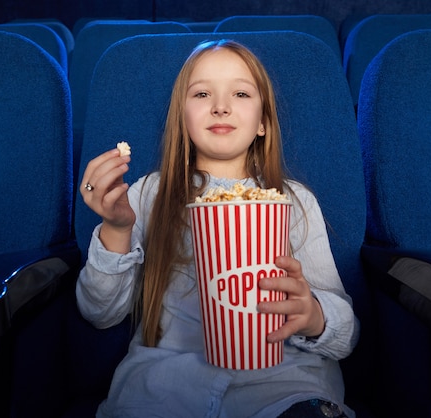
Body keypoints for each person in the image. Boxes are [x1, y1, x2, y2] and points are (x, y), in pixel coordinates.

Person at [76, 39, 360, 418]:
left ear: (263, 122)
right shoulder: (148, 193)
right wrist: (116, 227)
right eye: (203, 93)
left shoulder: (294, 202)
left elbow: (347, 333)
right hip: (167, 388)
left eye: (241, 93)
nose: (221, 105)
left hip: (282, 386)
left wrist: (314, 316)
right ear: (183, 117)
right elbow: (100, 312)